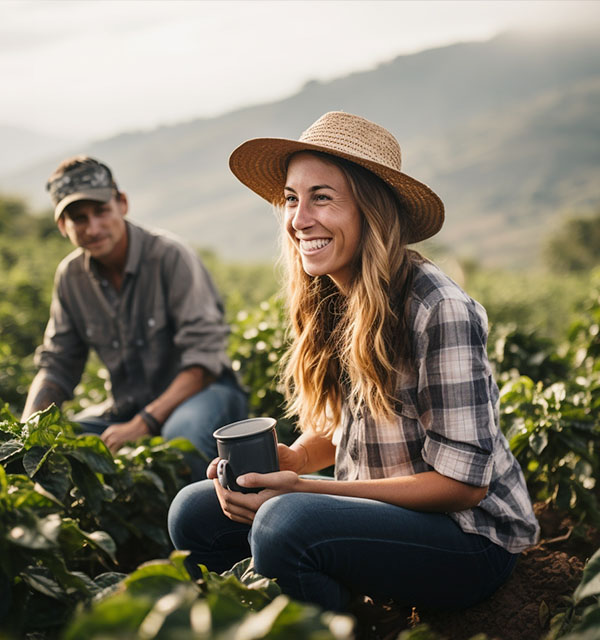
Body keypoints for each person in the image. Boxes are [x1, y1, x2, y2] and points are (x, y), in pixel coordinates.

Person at [167, 112, 540, 613]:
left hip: (468, 539)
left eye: (322, 197)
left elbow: (464, 486)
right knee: (193, 511)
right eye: (292, 199)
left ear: (372, 211)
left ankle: (352, 622)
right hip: (380, 509)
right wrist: (295, 460)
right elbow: (346, 426)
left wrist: (302, 489)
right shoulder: (333, 294)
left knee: (285, 523)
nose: (299, 219)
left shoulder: (438, 309)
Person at [21, 156, 247, 462]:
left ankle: (204, 508)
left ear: (122, 203)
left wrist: (143, 423)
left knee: (182, 439)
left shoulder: (170, 257)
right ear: (63, 226)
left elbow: (204, 362)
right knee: (61, 447)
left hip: (203, 394)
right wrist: (27, 431)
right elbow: (57, 365)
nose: (93, 227)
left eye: (101, 211)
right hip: (129, 409)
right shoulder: (71, 277)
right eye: (79, 219)